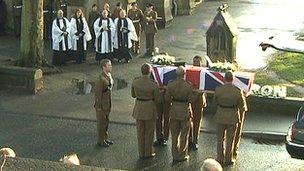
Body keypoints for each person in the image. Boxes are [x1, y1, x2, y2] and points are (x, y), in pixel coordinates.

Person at [213, 71, 247, 165]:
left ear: (224, 78)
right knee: (230, 139)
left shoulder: (218, 89)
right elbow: (242, 106)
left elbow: (214, 102)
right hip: (232, 116)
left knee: (220, 139)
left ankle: (219, 158)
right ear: (233, 79)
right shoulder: (237, 91)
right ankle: (228, 158)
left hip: (220, 115)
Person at [165, 66, 193, 162]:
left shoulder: (170, 84)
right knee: (184, 134)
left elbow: (167, 98)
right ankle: (182, 155)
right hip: (184, 110)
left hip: (174, 110)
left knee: (174, 134)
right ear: (184, 74)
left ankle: (174, 154)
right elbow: (190, 100)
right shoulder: (188, 85)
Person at [131, 63, 159, 159]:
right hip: (149, 108)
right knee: (149, 132)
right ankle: (148, 152)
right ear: (150, 71)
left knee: (140, 132)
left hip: (139, 107)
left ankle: (141, 152)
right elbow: (157, 99)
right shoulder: (153, 84)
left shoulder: (135, 81)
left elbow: (133, 95)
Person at [188, 56, 207, 150]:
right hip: (190, 99)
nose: (196, 64)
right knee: (189, 121)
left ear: (201, 63)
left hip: (199, 100)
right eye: (194, 62)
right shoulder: (189, 72)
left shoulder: (203, 73)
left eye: (198, 63)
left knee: (197, 121)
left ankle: (195, 140)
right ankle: (189, 139)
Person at [94, 59, 114, 148]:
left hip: (107, 103)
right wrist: (98, 107)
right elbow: (97, 94)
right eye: (109, 65)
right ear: (103, 67)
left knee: (106, 122)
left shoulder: (108, 75)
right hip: (101, 105)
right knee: (101, 123)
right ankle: (100, 140)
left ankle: (105, 138)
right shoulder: (100, 79)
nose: (111, 66)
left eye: (110, 65)